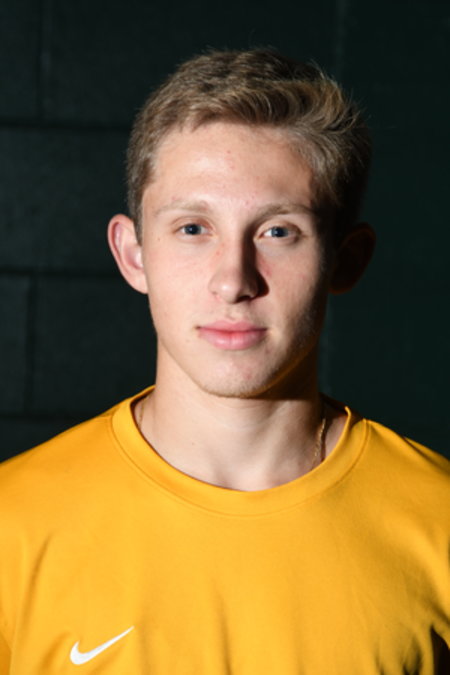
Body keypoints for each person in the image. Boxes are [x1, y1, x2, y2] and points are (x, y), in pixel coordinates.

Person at [0, 48, 448, 673]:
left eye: (278, 231)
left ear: (345, 260)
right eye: (193, 228)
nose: (233, 280)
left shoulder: (439, 521)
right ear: (133, 255)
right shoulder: (13, 523)